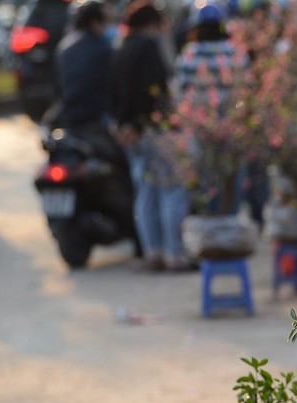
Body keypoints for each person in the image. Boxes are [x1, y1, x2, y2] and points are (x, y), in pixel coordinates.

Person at [112, 0, 191, 271]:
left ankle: (153, 252)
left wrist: (124, 125)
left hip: (130, 133)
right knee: (172, 188)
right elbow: (153, 90)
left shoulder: (121, 47)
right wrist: (138, 123)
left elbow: (117, 93)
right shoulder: (147, 48)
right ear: (152, 23)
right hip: (154, 130)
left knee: (146, 192)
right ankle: (175, 254)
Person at [172, 0, 249, 216]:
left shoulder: (190, 53)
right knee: (231, 176)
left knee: (205, 177)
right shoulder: (235, 52)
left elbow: (180, 91)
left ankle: (210, 218)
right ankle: (229, 218)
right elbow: (245, 90)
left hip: (199, 127)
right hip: (230, 125)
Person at [53, 1, 115, 132]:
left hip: (69, 115)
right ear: (94, 22)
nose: (109, 26)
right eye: (107, 21)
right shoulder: (102, 47)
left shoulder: (64, 46)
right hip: (97, 117)